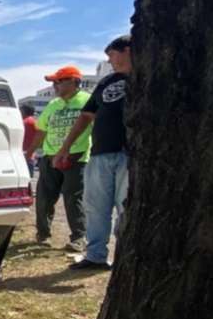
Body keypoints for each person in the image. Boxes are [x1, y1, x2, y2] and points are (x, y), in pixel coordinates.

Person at [56, 35, 132, 271]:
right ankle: (96, 255)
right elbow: (86, 116)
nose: (110, 61)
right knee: (95, 207)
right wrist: (65, 147)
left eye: (112, 54)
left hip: (129, 154)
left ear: (128, 50)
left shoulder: (147, 77)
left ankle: (126, 258)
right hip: (100, 153)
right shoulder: (107, 81)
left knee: (126, 207)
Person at [30, 65, 92, 251]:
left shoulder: (87, 100)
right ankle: (43, 235)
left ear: (73, 81)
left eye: (58, 81)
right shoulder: (52, 105)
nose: (54, 86)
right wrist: (30, 151)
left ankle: (78, 238)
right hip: (50, 157)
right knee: (44, 197)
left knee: (74, 198)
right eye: (53, 83)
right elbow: (41, 131)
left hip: (76, 157)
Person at [20, 104, 39, 178]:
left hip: (24, 153)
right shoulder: (35, 121)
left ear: (24, 111)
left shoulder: (24, 122)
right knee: (29, 177)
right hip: (31, 153)